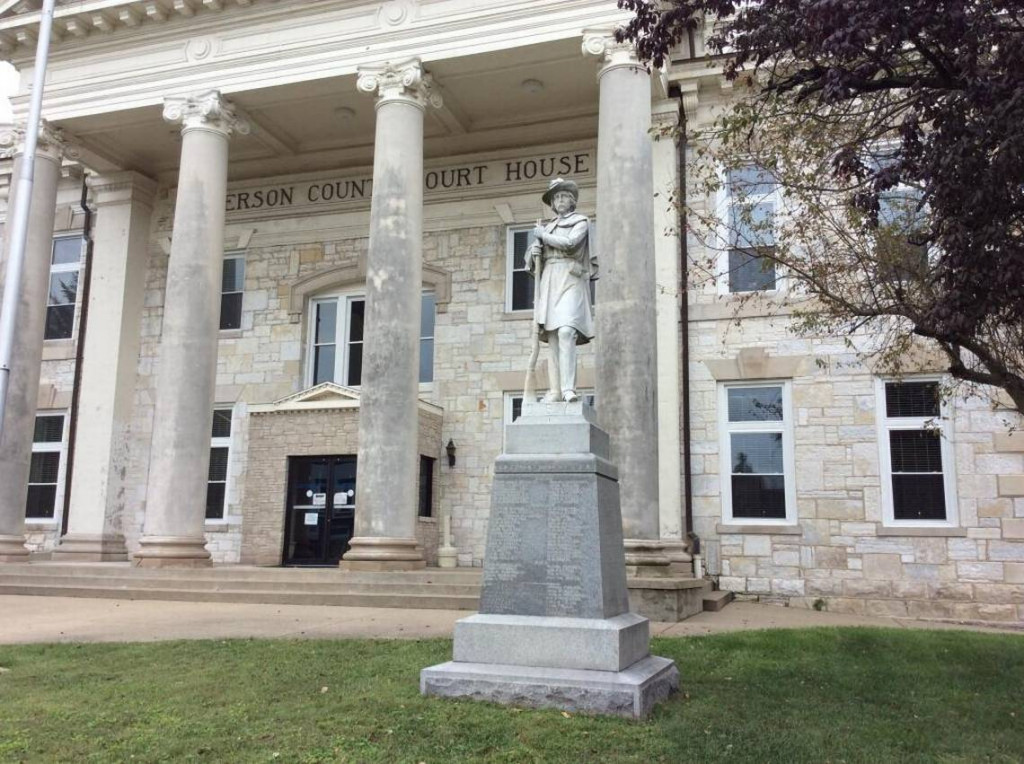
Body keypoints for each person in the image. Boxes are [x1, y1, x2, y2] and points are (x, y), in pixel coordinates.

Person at [527, 178, 596, 403]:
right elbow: (531, 261)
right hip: (550, 279)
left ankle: (569, 389)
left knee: (567, 331)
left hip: (570, 278)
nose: (560, 200)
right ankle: (555, 391)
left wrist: (542, 236)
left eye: (563, 196)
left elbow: (570, 243)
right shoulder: (546, 227)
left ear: (572, 200)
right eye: (556, 198)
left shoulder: (580, 221)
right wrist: (533, 252)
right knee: (553, 337)